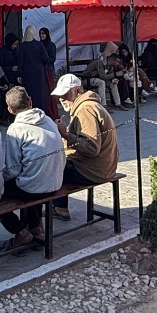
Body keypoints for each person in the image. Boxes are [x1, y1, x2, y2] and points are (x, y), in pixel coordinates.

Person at [0, 86, 67, 252]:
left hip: (36, 187)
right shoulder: (48, 119)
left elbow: (12, 168)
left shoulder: (15, 129)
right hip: (56, 182)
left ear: (10, 110)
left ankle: (21, 232)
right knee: (30, 177)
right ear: (30, 101)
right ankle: (35, 228)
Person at [53, 73, 119, 218]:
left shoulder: (85, 109)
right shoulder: (86, 106)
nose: (61, 99)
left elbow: (92, 148)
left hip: (95, 170)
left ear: (77, 91)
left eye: (65, 94)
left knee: (52, 169)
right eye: (60, 95)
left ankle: (60, 208)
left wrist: (65, 134)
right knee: (59, 163)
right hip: (102, 166)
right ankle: (59, 207)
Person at [17, 29, 55, 124]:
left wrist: (19, 74)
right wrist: (40, 63)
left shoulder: (22, 46)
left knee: (29, 93)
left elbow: (20, 61)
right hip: (39, 72)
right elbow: (46, 58)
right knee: (40, 93)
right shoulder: (39, 44)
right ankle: (41, 114)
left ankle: (29, 114)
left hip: (27, 72)